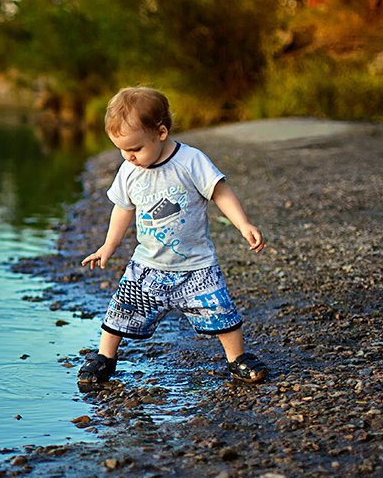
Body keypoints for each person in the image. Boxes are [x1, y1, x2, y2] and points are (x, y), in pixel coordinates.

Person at [78, 86, 268, 386]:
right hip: (148, 266)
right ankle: (105, 358)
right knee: (120, 310)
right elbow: (122, 209)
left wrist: (243, 224)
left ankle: (237, 359)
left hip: (196, 266)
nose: (129, 157)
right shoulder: (129, 171)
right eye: (121, 150)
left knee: (221, 311)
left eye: (136, 149)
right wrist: (108, 245)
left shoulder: (190, 161)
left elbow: (220, 191)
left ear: (161, 133)